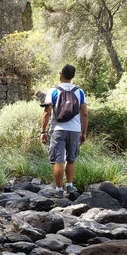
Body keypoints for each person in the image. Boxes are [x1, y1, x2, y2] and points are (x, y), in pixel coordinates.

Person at [39, 64, 88, 197]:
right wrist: (84, 133)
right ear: (72, 76)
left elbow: (46, 113)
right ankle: (70, 185)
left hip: (58, 129)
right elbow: (84, 114)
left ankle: (59, 189)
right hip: (75, 130)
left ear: (61, 75)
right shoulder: (80, 92)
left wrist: (43, 131)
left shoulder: (54, 91)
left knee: (58, 160)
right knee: (71, 159)